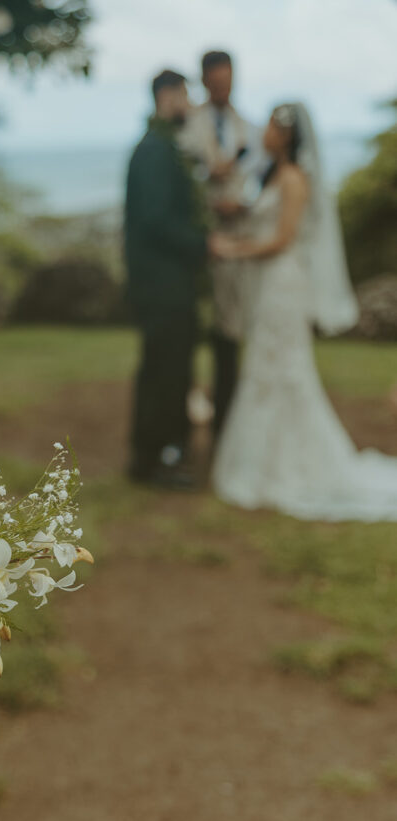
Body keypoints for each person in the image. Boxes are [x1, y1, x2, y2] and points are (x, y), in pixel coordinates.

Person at [211, 102, 397, 521]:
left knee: (281, 370)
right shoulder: (271, 174)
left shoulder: (294, 179)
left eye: (273, 126)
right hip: (266, 284)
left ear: (288, 136)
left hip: (283, 284)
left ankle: (286, 468)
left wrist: (233, 249)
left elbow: (283, 239)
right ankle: (262, 465)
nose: (265, 131)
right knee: (266, 369)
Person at [125, 69, 209, 489]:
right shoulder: (156, 151)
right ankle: (155, 459)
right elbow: (157, 221)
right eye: (185, 95)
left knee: (165, 368)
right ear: (167, 95)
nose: (190, 104)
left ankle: (154, 457)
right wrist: (203, 244)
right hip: (163, 285)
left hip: (166, 283)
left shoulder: (159, 146)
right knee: (165, 372)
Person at [179, 50, 262, 438]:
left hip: (237, 241)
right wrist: (205, 180)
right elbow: (179, 180)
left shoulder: (248, 127)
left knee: (231, 330)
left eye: (228, 81)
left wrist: (241, 204)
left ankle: (227, 414)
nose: (222, 88)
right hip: (197, 243)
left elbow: (261, 182)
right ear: (204, 81)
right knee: (190, 328)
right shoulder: (187, 126)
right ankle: (189, 402)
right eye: (215, 82)